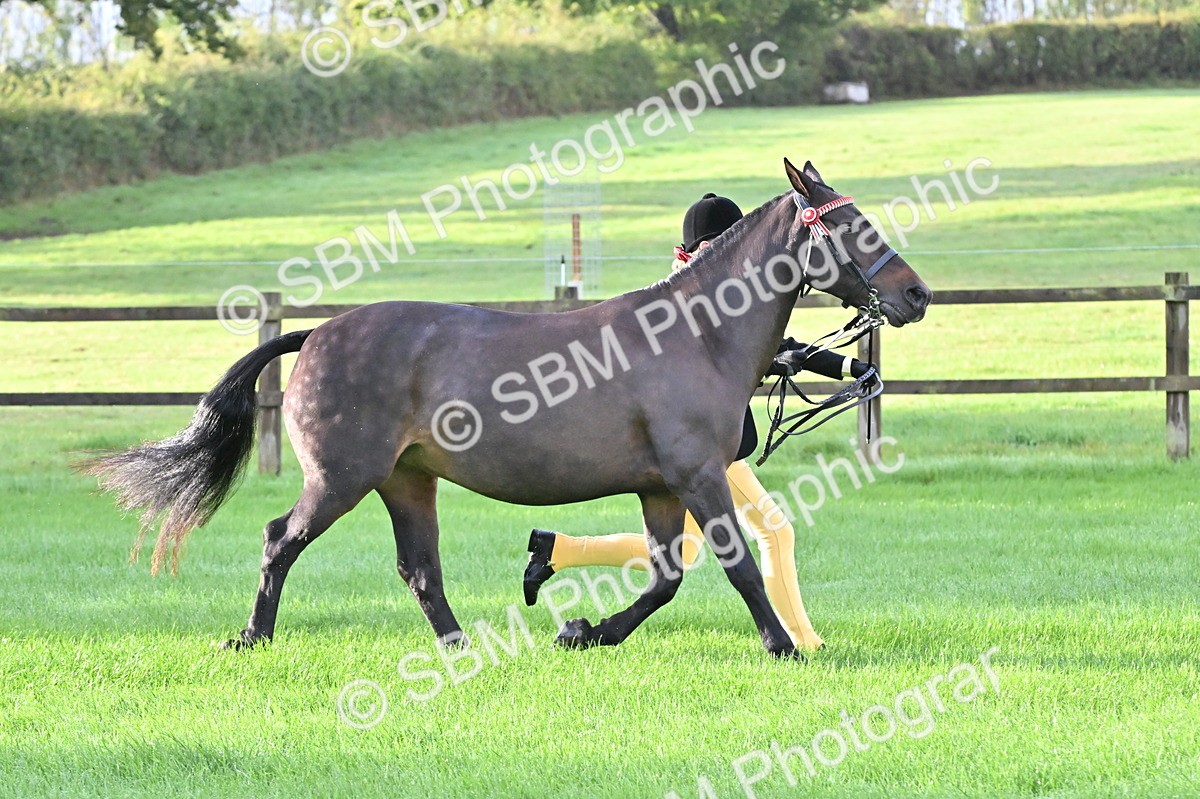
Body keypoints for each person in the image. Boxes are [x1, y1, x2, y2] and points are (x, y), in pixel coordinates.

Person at [522, 193, 832, 651]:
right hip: (700, 450)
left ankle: (559, 550)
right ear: (691, 252)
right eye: (713, 244)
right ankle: (801, 641)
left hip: (709, 446)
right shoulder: (684, 308)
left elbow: (778, 344)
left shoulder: (723, 301)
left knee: (681, 550)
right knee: (773, 531)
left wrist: (845, 367)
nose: (723, 253)